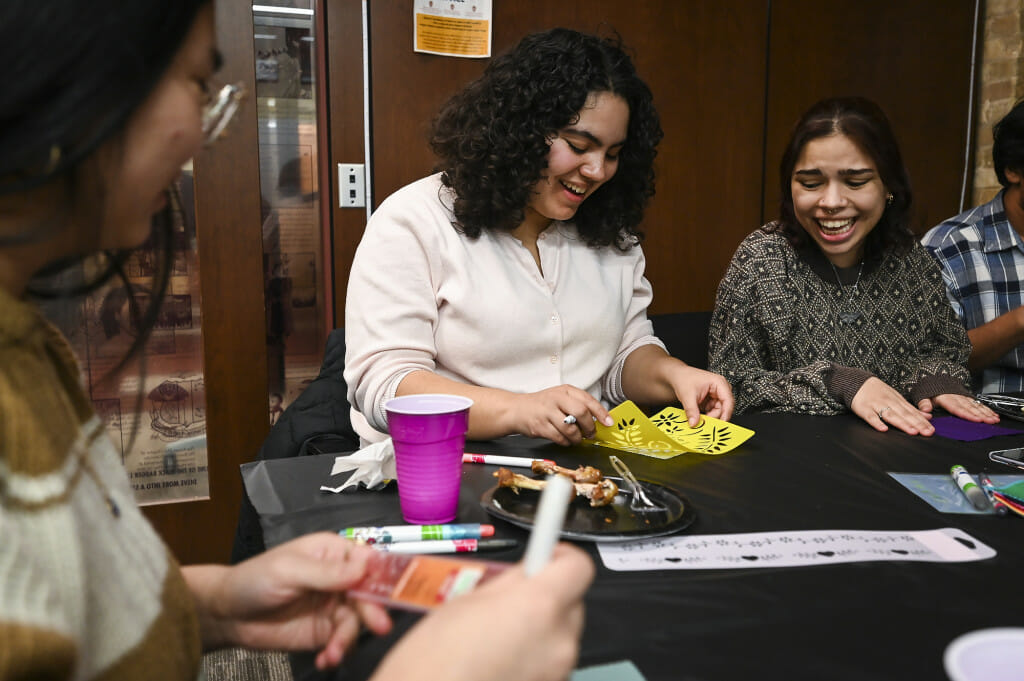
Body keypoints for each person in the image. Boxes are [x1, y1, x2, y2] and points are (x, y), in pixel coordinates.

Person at [0, 3, 592, 680]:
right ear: (67, 82)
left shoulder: (29, 349)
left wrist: (214, 604)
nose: (201, 133)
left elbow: (60, 600)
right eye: (198, 85)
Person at [344, 28, 733, 447]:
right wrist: (517, 409)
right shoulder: (414, 220)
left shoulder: (608, 233)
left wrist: (674, 375)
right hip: (444, 472)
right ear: (520, 130)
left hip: (578, 472)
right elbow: (386, 385)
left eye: (613, 154)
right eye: (580, 145)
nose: (598, 171)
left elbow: (622, 355)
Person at [708, 97, 998, 435]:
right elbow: (729, 387)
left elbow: (945, 350)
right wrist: (839, 383)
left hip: (893, 459)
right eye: (811, 183)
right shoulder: (762, 260)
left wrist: (934, 380)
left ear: (888, 186)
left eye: (856, 182)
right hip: (788, 464)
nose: (831, 202)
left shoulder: (910, 259)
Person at [922, 98, 1024, 393]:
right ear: (1014, 170)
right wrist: (1018, 323)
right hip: (990, 429)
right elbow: (925, 362)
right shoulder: (948, 247)